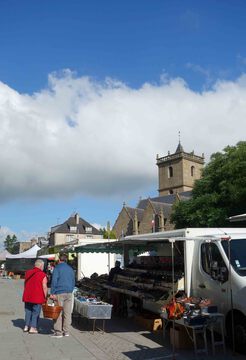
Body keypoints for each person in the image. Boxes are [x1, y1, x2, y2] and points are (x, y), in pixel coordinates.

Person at [50, 253, 75, 338]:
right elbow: (73, 281)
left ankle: (58, 332)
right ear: (66, 260)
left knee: (58, 312)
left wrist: (52, 293)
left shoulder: (57, 268)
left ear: (59, 260)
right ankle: (66, 331)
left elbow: (54, 281)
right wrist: (71, 290)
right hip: (69, 293)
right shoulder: (70, 269)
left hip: (59, 292)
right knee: (67, 313)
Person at [22, 259, 48, 334]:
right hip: (37, 297)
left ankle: (26, 326)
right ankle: (33, 327)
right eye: (43, 265)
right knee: (35, 312)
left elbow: (25, 284)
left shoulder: (27, 273)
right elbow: (44, 287)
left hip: (27, 296)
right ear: (41, 265)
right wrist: (45, 297)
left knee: (28, 311)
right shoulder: (42, 274)